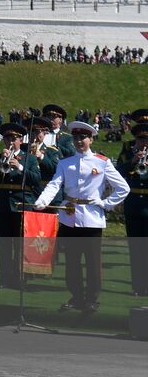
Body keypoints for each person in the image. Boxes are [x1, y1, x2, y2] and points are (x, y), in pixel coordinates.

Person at [35, 120, 130, 314]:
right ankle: (76, 296)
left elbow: (123, 187)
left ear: (91, 139)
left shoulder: (102, 162)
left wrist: (105, 204)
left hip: (92, 219)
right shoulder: (65, 163)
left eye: (83, 138)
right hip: (69, 218)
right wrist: (43, 201)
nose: (79, 141)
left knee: (93, 261)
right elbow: (55, 184)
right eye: (76, 138)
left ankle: (92, 298)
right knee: (72, 260)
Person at [0, 122, 40, 289]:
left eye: (14, 138)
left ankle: (20, 278)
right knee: (4, 245)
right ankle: (5, 278)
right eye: (7, 137)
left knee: (21, 244)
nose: (10, 141)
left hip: (21, 205)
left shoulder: (29, 158)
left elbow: (36, 180)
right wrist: (1, 161)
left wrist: (20, 167)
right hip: (1, 207)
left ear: (20, 139)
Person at [115, 119, 148, 297]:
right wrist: (132, 161)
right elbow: (117, 172)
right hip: (133, 205)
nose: (144, 143)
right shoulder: (128, 151)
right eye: (141, 139)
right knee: (136, 249)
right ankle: (138, 286)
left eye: (146, 140)